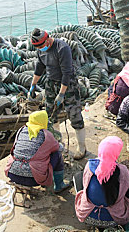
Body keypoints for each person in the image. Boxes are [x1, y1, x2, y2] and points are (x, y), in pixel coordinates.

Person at [29, 28, 87, 160]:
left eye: (42, 46)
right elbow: (39, 67)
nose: (41, 49)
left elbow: (67, 72)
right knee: (50, 115)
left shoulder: (62, 48)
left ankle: (82, 147)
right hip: (51, 84)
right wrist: (32, 85)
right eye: (38, 47)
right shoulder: (41, 50)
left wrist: (62, 94)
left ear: (48, 39)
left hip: (68, 84)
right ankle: (57, 144)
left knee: (74, 114)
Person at [74, 136, 129, 228]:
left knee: (78, 176)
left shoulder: (89, 165)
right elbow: (126, 188)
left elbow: (85, 183)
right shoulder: (122, 171)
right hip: (114, 220)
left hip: (87, 216)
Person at [5, 111, 70, 193]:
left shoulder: (21, 130)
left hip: (12, 174)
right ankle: (59, 185)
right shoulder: (46, 135)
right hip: (33, 179)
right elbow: (58, 148)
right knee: (57, 154)